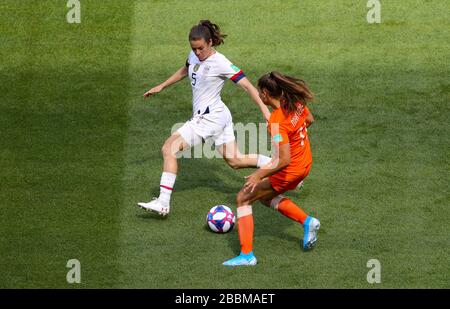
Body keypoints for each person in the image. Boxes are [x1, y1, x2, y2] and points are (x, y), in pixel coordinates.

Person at [138, 20, 272, 216]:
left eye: (201, 48)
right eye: (194, 49)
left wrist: (265, 111)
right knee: (236, 160)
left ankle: (163, 203)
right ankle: (279, 164)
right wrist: (162, 85)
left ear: (210, 42)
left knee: (169, 148)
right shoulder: (194, 55)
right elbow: (186, 68)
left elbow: (248, 87)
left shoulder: (221, 63)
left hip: (209, 119)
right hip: (219, 114)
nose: (198, 53)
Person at [222, 71, 320, 266]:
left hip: (290, 169)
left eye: (260, 92)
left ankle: (247, 255)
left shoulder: (275, 122)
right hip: (305, 163)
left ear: (266, 93)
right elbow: (309, 121)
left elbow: (283, 160)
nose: (259, 95)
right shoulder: (295, 103)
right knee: (265, 197)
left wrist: (258, 175)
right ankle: (308, 222)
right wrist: (295, 139)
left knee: (243, 198)